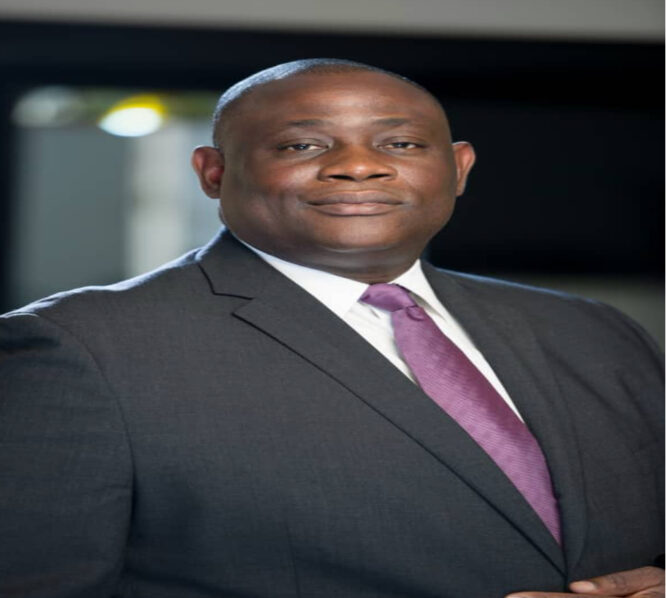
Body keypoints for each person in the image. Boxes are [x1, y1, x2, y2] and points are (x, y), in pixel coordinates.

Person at [0, 59, 663, 598]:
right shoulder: (78, 349)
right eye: (302, 145)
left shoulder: (594, 333)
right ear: (213, 172)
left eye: (401, 144)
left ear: (458, 168)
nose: (358, 165)